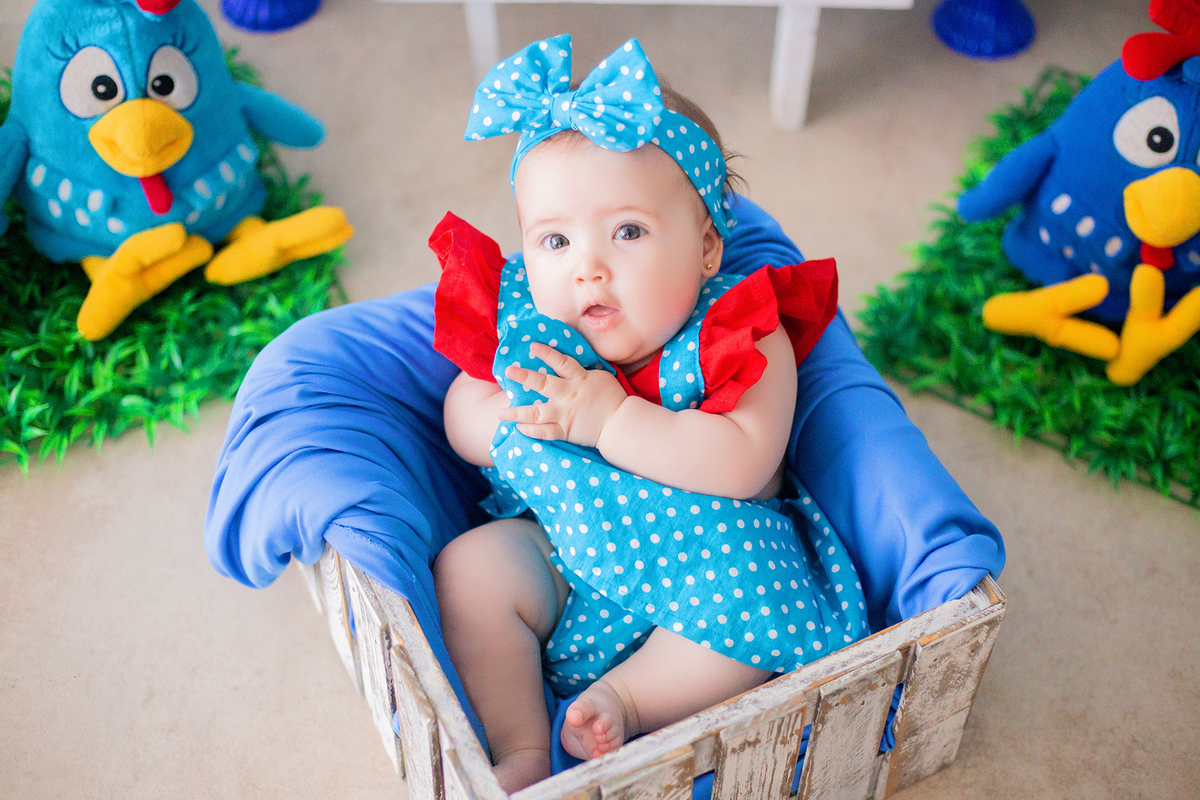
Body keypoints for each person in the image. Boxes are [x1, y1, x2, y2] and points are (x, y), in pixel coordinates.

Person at [430, 34, 869, 792]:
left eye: (627, 231)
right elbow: (462, 417)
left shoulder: (736, 331)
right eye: (555, 240)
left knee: (761, 611)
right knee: (469, 570)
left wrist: (611, 424)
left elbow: (744, 459)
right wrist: (505, 416)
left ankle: (625, 702)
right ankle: (521, 750)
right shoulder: (535, 332)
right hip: (562, 559)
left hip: (709, 575)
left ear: (705, 247)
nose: (586, 267)